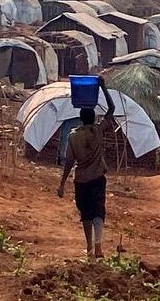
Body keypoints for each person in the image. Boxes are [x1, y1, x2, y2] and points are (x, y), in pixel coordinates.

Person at [57, 80, 115, 258]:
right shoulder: (97, 131)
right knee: (98, 211)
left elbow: (69, 161)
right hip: (97, 178)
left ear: (81, 118)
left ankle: (89, 248)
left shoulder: (73, 136)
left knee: (86, 214)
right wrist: (103, 87)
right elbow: (111, 109)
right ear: (94, 118)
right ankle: (98, 246)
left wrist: (62, 184)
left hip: (81, 180)